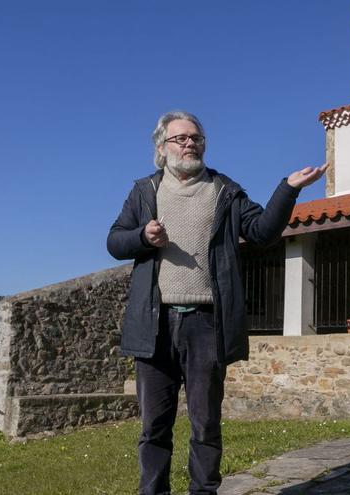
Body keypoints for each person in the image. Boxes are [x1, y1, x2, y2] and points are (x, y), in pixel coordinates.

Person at [107, 110, 326, 494]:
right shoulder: (144, 192)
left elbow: (261, 233)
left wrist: (288, 188)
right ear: (162, 148)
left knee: (205, 424)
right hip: (153, 325)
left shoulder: (224, 190)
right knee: (153, 427)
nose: (190, 143)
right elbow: (115, 242)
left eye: (196, 138)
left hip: (206, 324)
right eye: (181, 138)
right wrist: (143, 235)